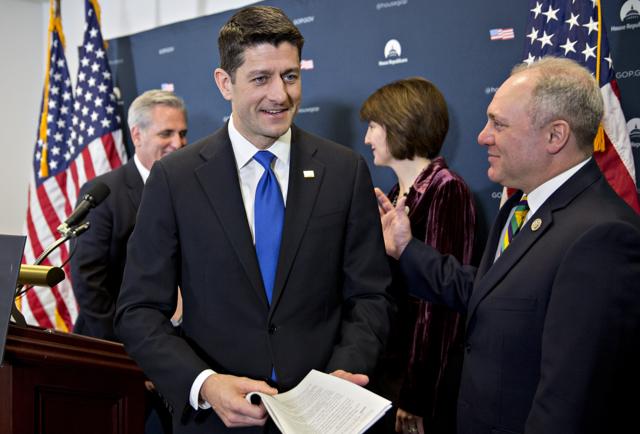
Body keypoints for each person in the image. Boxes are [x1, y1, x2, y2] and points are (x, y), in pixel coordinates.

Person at [114, 6, 392, 434]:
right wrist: (205, 385)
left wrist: (343, 373)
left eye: (290, 76)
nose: (280, 95)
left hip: (324, 419)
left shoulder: (344, 170)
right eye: (261, 78)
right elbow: (138, 310)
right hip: (217, 422)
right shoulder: (175, 179)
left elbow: (371, 295)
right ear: (225, 82)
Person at [376, 56, 640, 434]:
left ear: (555, 136)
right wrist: (406, 248)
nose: (483, 136)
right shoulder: (520, 208)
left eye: (498, 124)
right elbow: (489, 292)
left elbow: (569, 404)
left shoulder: (603, 237)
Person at [360, 77, 475, 434]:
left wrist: (417, 395)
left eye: (373, 126)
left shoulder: (446, 189)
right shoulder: (396, 194)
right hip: (390, 368)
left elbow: (441, 307)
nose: (366, 138)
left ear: (400, 123)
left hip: (419, 383)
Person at [71, 89, 188, 434]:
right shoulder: (105, 193)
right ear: (137, 135)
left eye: (182, 133)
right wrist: (132, 356)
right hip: (115, 353)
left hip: (177, 354)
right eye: (166, 133)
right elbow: (89, 282)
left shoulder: (191, 188)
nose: (178, 143)